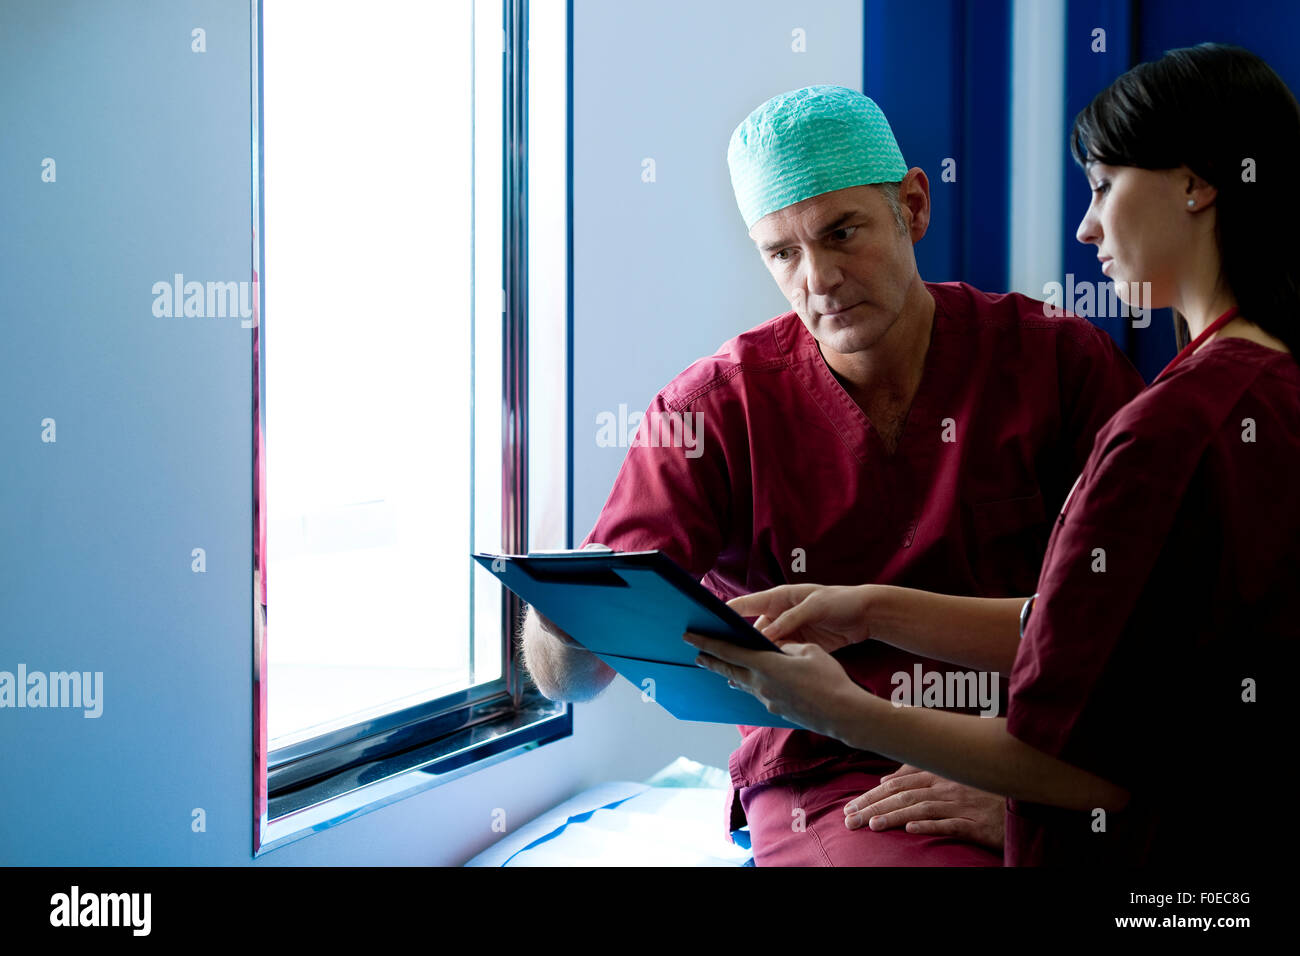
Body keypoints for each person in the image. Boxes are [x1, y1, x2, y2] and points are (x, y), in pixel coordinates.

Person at [686, 43, 1300, 867]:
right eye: (783, 252)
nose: (1085, 227)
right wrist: (867, 607)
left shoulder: (1162, 423)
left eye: (1102, 186)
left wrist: (838, 708)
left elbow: (1090, 767)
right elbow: (1105, 629)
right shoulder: (1267, 384)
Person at [523, 85, 1145, 866]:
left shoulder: (1055, 362)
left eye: (842, 233)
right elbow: (572, 681)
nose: (818, 278)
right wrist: (559, 621)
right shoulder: (715, 412)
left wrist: (1026, 787)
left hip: (1031, 746)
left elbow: (1152, 616)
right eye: (783, 253)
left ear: (913, 208)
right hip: (835, 777)